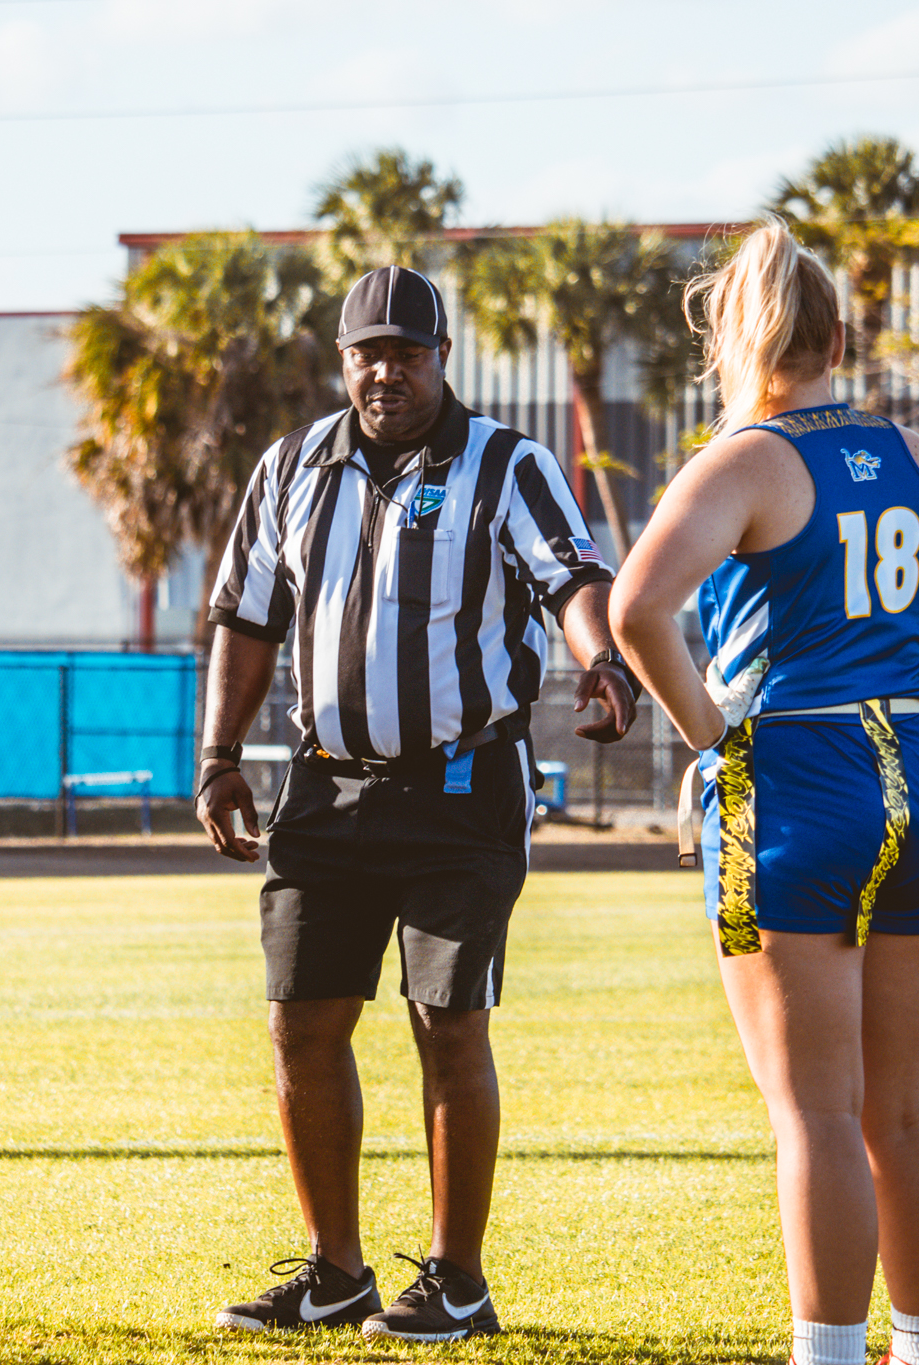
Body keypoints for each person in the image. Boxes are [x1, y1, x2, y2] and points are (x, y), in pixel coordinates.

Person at [608, 218, 919, 1365]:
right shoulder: (907, 454)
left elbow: (635, 612)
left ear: (739, 338)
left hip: (795, 782)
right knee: (895, 1112)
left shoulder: (743, 459)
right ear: (833, 335)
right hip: (913, 781)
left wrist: (709, 737)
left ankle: (823, 1355)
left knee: (813, 1115)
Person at [199, 265, 639, 1343]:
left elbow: (571, 579)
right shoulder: (294, 465)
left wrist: (602, 661)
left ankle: (455, 1279)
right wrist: (216, 755)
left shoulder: (506, 465)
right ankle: (336, 1272)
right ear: (343, 359)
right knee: (300, 1024)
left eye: (407, 350)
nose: (385, 370)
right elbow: (246, 619)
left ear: (443, 356)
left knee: (447, 1025)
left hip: (459, 785)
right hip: (323, 782)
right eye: (367, 352)